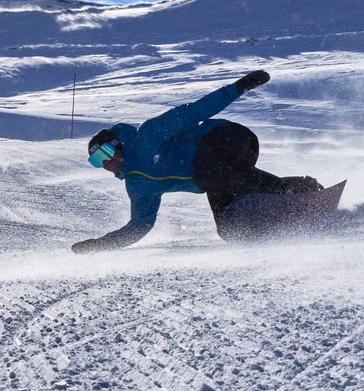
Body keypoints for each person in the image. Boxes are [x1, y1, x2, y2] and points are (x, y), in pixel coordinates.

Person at [71, 70, 322, 254]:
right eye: (96, 161)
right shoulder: (138, 187)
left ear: (118, 144)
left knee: (209, 175)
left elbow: (195, 111)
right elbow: (140, 225)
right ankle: (285, 219)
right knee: (229, 227)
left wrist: (239, 87)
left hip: (228, 138)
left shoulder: (148, 135)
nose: (104, 163)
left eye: (104, 153)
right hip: (217, 172)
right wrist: (100, 244)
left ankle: (298, 188)